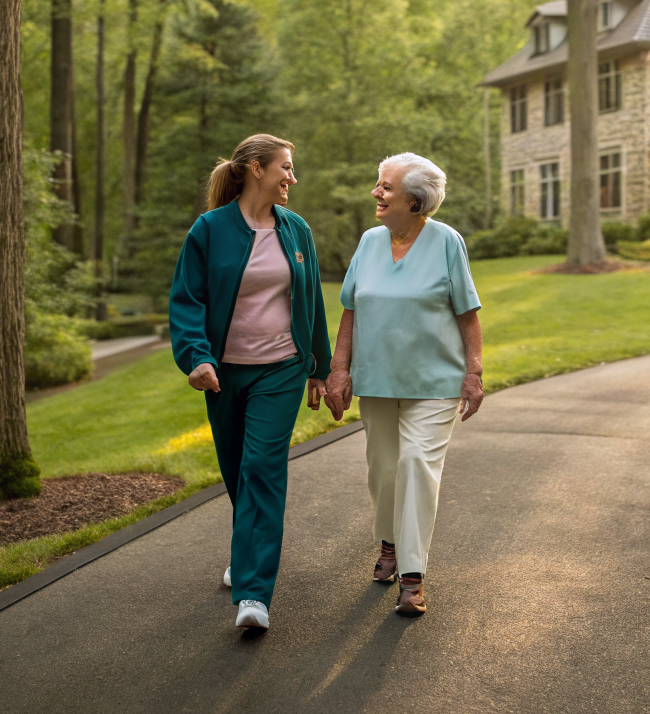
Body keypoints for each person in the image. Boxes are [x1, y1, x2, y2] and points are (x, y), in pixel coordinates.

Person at [168, 134, 331, 633]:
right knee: (238, 469)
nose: (292, 178)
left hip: (281, 368)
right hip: (224, 374)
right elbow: (187, 300)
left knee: (261, 469)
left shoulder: (296, 229)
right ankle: (247, 553)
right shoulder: (210, 230)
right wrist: (195, 358)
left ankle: (254, 594)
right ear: (256, 169)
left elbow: (312, 302)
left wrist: (320, 368)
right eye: (285, 167)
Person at [324, 152, 484, 617]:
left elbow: (466, 313)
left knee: (416, 463)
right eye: (379, 184)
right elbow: (350, 311)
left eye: (386, 186)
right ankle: (390, 542)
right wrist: (339, 370)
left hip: (435, 381)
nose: (376, 192)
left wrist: (473, 372)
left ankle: (412, 576)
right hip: (376, 380)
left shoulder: (446, 242)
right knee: (384, 469)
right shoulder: (370, 241)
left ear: (414, 201)